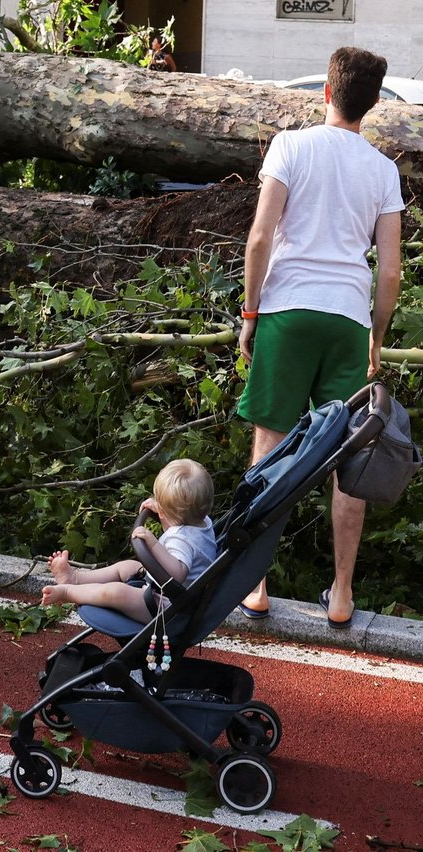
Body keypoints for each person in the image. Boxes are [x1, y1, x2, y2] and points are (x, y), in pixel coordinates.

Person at [236, 46, 404, 628]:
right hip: (347, 318)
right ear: (373, 103)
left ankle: (255, 585)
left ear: (325, 93)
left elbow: (261, 239)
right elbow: (389, 271)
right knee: (349, 460)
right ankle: (340, 595)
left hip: (287, 310)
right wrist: (375, 339)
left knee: (271, 447)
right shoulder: (383, 171)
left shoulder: (290, 145)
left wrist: (251, 314)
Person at [41, 459, 216, 624]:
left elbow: (177, 575)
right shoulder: (202, 520)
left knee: (117, 592)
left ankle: (67, 591)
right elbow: (179, 518)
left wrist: (153, 544)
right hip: (166, 590)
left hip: (167, 606)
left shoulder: (182, 539)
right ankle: (75, 577)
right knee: (126, 567)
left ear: (164, 512)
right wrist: (163, 511)